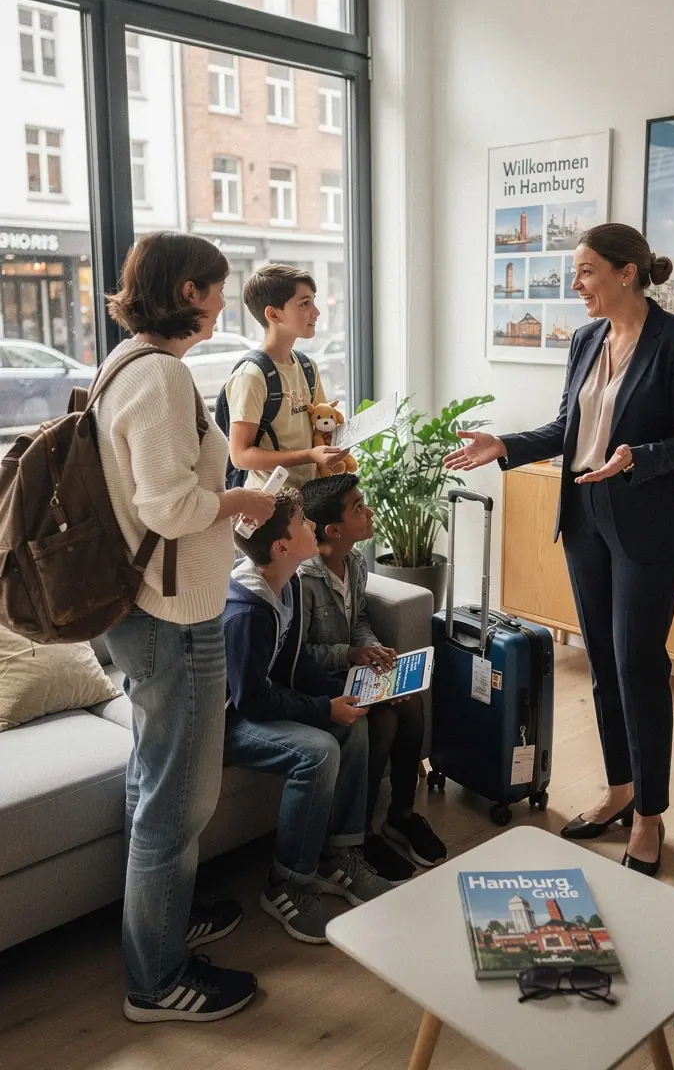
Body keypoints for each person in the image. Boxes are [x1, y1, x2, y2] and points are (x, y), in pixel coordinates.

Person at [446, 223, 674, 877]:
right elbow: (568, 427)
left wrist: (637, 458)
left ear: (627, 273)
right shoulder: (587, 339)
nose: (576, 285)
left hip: (651, 522)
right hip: (587, 517)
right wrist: (504, 445)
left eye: (587, 270)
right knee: (601, 664)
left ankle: (650, 815)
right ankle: (620, 789)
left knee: (638, 667)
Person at [98, 231, 277, 1023]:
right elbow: (166, 507)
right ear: (186, 293)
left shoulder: (121, 365)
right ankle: (156, 982)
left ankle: (159, 924)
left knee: (154, 781)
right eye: (213, 288)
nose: (218, 304)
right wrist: (241, 500)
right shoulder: (163, 376)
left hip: (142, 610)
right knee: (178, 801)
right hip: (173, 614)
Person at [223, 487, 390, 943]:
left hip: (266, 700)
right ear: (281, 546)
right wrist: (322, 710)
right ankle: (287, 883)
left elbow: (297, 667)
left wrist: (344, 695)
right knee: (317, 751)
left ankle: (340, 856)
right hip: (232, 721)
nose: (312, 526)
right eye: (302, 523)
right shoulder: (246, 611)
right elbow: (251, 700)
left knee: (352, 726)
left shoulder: (290, 582)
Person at [300, 474, 448, 882]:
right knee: (380, 716)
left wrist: (375, 652)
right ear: (332, 530)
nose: (369, 512)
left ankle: (401, 815)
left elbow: (358, 619)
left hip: (353, 670)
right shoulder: (302, 580)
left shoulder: (356, 562)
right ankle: (360, 834)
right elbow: (296, 655)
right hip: (319, 681)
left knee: (412, 700)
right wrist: (350, 654)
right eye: (358, 508)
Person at [223, 264, 346, 489]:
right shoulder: (252, 376)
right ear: (273, 314)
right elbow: (240, 456)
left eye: (313, 301)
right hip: (271, 507)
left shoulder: (308, 367)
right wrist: (309, 455)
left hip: (309, 499)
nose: (316, 312)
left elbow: (321, 424)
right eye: (304, 304)